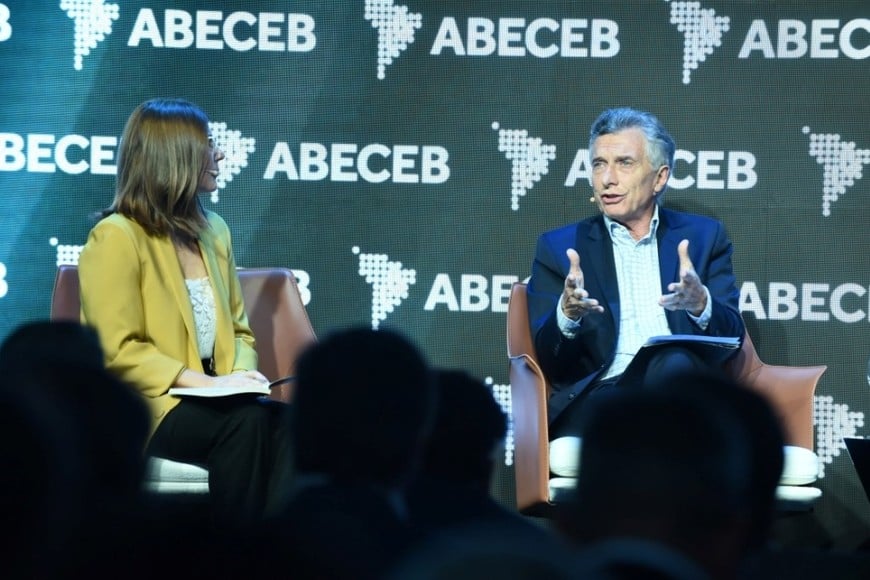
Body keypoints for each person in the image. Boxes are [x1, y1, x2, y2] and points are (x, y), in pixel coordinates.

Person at [77, 97, 292, 527]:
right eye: (209, 143)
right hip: (150, 406)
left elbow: (240, 332)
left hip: (215, 401)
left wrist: (241, 379)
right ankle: (231, 560)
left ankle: (280, 558)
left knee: (289, 424)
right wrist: (207, 384)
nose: (220, 154)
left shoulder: (215, 231)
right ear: (174, 155)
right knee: (246, 425)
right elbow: (117, 350)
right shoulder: (116, 237)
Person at [526, 107, 745, 438]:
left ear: (659, 177)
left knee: (672, 362)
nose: (607, 179)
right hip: (602, 398)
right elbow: (549, 359)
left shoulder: (704, 237)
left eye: (624, 163)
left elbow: (733, 337)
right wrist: (567, 316)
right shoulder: (559, 248)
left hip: (681, 392)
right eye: (599, 164)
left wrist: (701, 304)